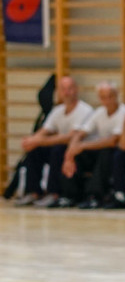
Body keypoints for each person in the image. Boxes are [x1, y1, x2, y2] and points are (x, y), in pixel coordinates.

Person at [14, 76, 93, 207]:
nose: (67, 92)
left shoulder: (85, 110)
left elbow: (71, 136)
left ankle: (54, 193)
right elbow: (45, 130)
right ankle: (33, 192)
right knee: (35, 150)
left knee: (57, 150)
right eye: (63, 89)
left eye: (70, 89)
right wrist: (31, 141)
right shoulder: (58, 110)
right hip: (61, 147)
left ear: (76, 90)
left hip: (79, 151)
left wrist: (40, 141)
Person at [61, 82, 125, 209]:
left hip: (120, 154)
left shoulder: (124, 112)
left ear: (117, 95)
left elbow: (113, 141)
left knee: (106, 152)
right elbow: (80, 133)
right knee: (76, 154)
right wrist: (70, 153)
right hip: (100, 151)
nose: (107, 100)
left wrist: (82, 146)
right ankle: (70, 195)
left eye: (110, 96)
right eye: (103, 97)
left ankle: (95, 196)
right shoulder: (99, 112)